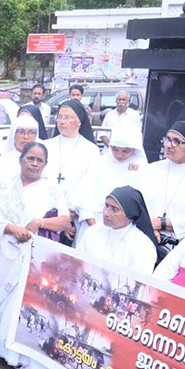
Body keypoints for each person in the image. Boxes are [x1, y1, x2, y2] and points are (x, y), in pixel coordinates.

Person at [0, 142, 71, 369]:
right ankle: (0, 342)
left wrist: (39, 223)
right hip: (3, 250)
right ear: (20, 160)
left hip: (33, 255)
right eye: (30, 158)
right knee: (2, 298)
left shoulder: (52, 190)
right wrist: (12, 229)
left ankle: (9, 349)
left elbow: (64, 221)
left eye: (39, 160)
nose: (34, 163)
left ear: (45, 165)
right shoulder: (4, 186)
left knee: (22, 302)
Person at [43, 100, 101, 241]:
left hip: (76, 216)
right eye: (60, 117)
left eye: (67, 117)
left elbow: (89, 186)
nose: (62, 121)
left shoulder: (90, 150)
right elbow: (42, 179)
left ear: (79, 121)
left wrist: (68, 215)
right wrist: (58, 211)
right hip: (47, 214)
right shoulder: (46, 146)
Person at [82, 121, 147, 235]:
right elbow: (84, 197)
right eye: (115, 149)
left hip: (125, 228)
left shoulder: (141, 168)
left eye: (125, 151)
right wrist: (94, 226)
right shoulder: (99, 163)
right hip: (94, 222)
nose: (119, 155)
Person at [78, 186, 158, 275]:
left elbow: (137, 284)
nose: (106, 213)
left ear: (130, 214)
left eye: (114, 209)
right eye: (106, 205)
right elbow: (78, 266)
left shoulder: (143, 245)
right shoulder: (93, 231)